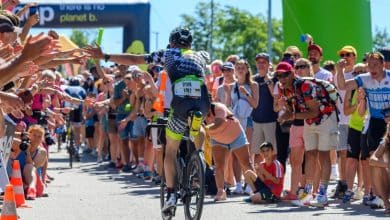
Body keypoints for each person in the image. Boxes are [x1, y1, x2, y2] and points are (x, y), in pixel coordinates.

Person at [85, 27, 211, 211]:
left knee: (170, 150)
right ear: (190, 44)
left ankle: (171, 194)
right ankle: (197, 159)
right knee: (198, 126)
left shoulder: (168, 53)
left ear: (172, 42)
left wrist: (105, 56)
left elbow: (134, 59)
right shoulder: (202, 55)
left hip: (180, 104)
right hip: (202, 101)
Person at [276, 62, 338, 207]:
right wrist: (285, 113)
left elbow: (314, 111)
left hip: (326, 118)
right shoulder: (284, 89)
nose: (282, 78)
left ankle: (322, 194)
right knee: (310, 155)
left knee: (323, 155)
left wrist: (290, 116)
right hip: (309, 121)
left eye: (285, 75)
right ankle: (307, 193)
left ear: (292, 74)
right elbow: (294, 110)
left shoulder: (305, 85)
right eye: (279, 75)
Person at [205, 102, 259, 201]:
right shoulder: (198, 113)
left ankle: (257, 189)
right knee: (219, 166)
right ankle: (221, 192)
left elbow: (219, 122)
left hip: (236, 135)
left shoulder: (219, 108)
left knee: (246, 163)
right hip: (218, 138)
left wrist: (205, 128)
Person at [250, 53, 277, 164]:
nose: (261, 64)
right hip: (256, 121)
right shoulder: (252, 80)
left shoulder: (274, 78)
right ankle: (259, 178)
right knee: (257, 153)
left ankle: (272, 178)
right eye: (259, 62)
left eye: (264, 62)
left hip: (271, 121)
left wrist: (268, 80)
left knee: (272, 152)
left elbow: (275, 97)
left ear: (268, 64)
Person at [369, 124, 390, 213]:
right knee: (376, 166)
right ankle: (387, 204)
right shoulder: (385, 142)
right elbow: (372, 160)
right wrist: (387, 164)